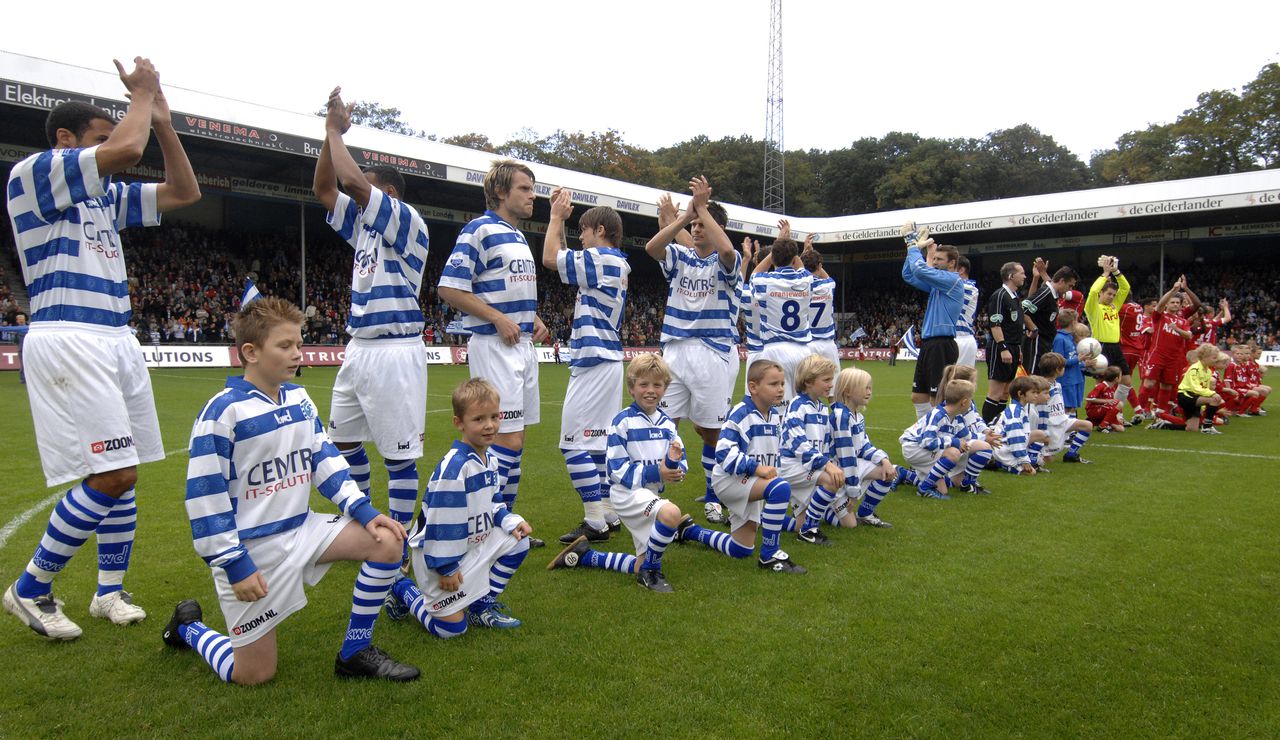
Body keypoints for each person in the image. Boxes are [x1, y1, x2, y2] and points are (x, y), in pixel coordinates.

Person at [4, 58, 201, 640]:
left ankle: (108, 594)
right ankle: (31, 586)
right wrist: (142, 93)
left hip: (117, 336)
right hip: (71, 333)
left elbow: (185, 191)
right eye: (98, 138)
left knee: (127, 473)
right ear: (66, 140)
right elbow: (126, 151)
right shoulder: (35, 172)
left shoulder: (101, 201)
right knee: (112, 475)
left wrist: (163, 120)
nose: (109, 147)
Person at [163, 297, 417, 683]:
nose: (298, 354)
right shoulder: (222, 412)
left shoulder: (299, 399)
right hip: (251, 550)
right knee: (254, 674)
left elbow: (325, 461)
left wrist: (363, 510)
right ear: (250, 352)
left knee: (386, 540)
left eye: (299, 344)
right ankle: (188, 627)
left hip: (303, 530)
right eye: (285, 346)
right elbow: (205, 498)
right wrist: (234, 563)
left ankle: (355, 652)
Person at [312, 87, 430, 539]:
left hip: (395, 349)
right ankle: (363, 523)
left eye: (368, 181)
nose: (358, 185)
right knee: (342, 443)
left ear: (390, 193)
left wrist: (335, 132)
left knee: (399, 456)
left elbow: (351, 184)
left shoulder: (404, 219)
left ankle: (398, 538)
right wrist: (329, 137)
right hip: (358, 348)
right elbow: (326, 187)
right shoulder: (363, 226)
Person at [438, 160, 550, 545]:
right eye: (524, 188)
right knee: (505, 440)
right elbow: (449, 288)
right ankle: (495, 525)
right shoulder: (479, 230)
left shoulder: (518, 236)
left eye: (532, 188)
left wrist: (532, 318)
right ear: (501, 192)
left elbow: (507, 291)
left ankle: (504, 523)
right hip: (494, 345)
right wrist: (498, 319)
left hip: (522, 346)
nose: (532, 195)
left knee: (515, 442)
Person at [384, 379, 534, 635]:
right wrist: (447, 568)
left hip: (469, 545)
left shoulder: (490, 458)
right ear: (459, 423)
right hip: (438, 556)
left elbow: (494, 503)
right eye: (479, 419)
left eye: (494, 417)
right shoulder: (455, 469)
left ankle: (480, 607)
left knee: (519, 541)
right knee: (450, 629)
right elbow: (443, 524)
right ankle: (401, 588)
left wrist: (511, 521)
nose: (489, 425)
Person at [548, 354, 692, 593]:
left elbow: (679, 461)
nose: (650, 390)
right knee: (671, 514)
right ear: (631, 388)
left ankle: (587, 557)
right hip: (627, 495)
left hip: (650, 494)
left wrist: (675, 467)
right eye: (644, 384)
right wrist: (658, 471)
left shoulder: (667, 425)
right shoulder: (622, 422)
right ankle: (651, 573)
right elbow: (617, 471)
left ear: (665, 389)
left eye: (657, 385)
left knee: (639, 562)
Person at [540, 188, 630, 545]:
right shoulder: (615, 263)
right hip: (606, 358)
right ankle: (606, 509)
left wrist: (555, 218)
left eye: (585, 230)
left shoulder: (604, 259)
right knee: (597, 444)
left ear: (601, 232)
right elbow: (565, 255)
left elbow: (551, 258)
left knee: (571, 443)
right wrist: (562, 225)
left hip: (595, 359)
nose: (581, 237)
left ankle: (594, 519)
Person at [648, 179, 740, 527]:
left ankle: (715, 495)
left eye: (703, 223)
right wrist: (684, 216)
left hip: (712, 352)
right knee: (662, 425)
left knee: (711, 431)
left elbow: (728, 252)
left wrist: (701, 208)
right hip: (675, 350)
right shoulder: (680, 256)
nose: (697, 229)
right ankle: (653, 497)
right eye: (695, 225)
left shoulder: (729, 261)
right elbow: (653, 248)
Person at [683, 359, 805, 574]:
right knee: (780, 488)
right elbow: (723, 453)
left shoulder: (774, 415)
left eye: (782, 384)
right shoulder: (741, 413)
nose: (780, 389)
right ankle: (770, 555)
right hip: (730, 480)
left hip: (751, 481)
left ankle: (690, 532)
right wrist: (757, 469)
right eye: (773, 384)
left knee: (740, 549)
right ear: (753, 387)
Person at [777, 355, 844, 545]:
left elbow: (824, 444)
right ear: (808, 381)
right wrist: (827, 466)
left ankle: (764, 519)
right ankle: (809, 531)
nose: (831, 384)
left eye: (832, 379)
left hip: (807, 467)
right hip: (791, 466)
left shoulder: (822, 408)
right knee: (831, 479)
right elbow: (798, 443)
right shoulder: (797, 406)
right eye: (826, 380)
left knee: (798, 523)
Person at [829, 367, 907, 528]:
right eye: (865, 388)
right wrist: (853, 491)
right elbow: (846, 456)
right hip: (839, 470)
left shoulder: (857, 415)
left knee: (888, 472)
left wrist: (884, 459)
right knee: (848, 525)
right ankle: (826, 508)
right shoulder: (840, 416)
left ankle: (865, 513)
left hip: (853, 465)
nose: (869, 392)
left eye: (870, 387)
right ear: (848, 391)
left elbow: (864, 445)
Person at [899, 379, 994, 499]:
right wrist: (954, 442)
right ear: (964, 402)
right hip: (914, 448)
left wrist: (986, 438)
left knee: (983, 447)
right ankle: (924, 489)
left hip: (928, 449)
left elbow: (968, 436)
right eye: (971, 399)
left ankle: (905, 474)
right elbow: (927, 441)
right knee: (953, 452)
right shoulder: (937, 415)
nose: (972, 403)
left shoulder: (957, 418)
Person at [750, 232, 814, 399]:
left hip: (775, 350)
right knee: (803, 408)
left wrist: (776, 248)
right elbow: (800, 267)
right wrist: (789, 248)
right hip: (803, 351)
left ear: (773, 258)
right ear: (793, 258)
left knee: (777, 408)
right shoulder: (806, 280)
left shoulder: (764, 282)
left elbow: (755, 273)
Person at [1083, 255, 1133, 422]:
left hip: (1116, 346)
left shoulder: (1114, 307)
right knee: (1102, 384)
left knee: (1126, 380)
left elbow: (1125, 288)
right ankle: (1100, 414)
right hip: (1101, 346)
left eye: (1113, 294)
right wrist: (1104, 274)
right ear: (1102, 294)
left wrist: (1116, 272)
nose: (1112, 297)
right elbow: (1093, 291)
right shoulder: (1093, 308)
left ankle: (1115, 412)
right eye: (1109, 294)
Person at [1137, 277, 1194, 417]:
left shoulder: (1183, 321)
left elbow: (1188, 336)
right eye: (1172, 302)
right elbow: (1159, 305)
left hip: (1174, 358)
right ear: (1167, 304)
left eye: (1177, 303)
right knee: (1149, 383)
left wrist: (1176, 329)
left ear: (1181, 305)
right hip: (1158, 354)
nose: (1175, 305)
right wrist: (1173, 290)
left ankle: (1161, 413)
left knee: (1167, 385)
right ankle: (1140, 411)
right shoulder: (1160, 316)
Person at [982, 261, 1028, 423]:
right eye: (1021, 272)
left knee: (1005, 392)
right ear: (1011, 276)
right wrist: (1003, 347)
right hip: (1001, 348)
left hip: (1013, 347)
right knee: (995, 392)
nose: (1024, 276)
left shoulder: (1014, 297)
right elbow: (995, 324)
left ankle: (998, 425)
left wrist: (1018, 348)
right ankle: (986, 428)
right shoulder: (1000, 295)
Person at [1029, 352, 1094, 464]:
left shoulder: (1057, 384)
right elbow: (1038, 409)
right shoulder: (1041, 388)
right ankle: (1031, 458)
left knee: (1087, 426)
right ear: (1058, 370)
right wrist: (1042, 430)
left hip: (1063, 420)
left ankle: (1071, 455)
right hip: (1051, 424)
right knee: (1047, 460)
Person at [1022, 258, 1077, 376]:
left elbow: (1033, 299)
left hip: (1045, 342)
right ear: (1062, 281)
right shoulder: (1046, 293)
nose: (1070, 289)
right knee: (1033, 378)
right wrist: (1034, 329)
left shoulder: (1053, 294)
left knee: (1042, 379)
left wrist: (1041, 274)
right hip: (1037, 342)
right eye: (1070, 285)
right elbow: (1023, 310)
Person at [990, 376, 1050, 474]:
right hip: (1003, 448)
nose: (1036, 395)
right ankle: (997, 462)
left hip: (1010, 446)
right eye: (1033, 392)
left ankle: (1032, 462)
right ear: (1020, 394)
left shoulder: (1022, 409)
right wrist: (1023, 459)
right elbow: (1015, 437)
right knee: (1030, 473)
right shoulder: (1015, 413)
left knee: (1040, 435)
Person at [801, 235, 841, 369]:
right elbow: (825, 276)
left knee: (806, 387)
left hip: (808, 343)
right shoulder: (829, 285)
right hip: (827, 344)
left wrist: (805, 253)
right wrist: (811, 252)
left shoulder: (800, 288)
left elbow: (799, 273)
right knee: (833, 387)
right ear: (819, 266)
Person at [1119, 296, 1157, 420]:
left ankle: (1119, 413)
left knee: (1121, 382)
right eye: (1153, 305)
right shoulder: (1138, 309)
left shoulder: (1124, 308)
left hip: (1128, 348)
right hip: (1139, 349)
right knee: (1133, 381)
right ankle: (1140, 409)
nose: (1155, 308)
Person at [1051, 309, 1087, 414]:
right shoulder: (1060, 339)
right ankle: (1066, 429)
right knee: (1067, 407)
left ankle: (1072, 429)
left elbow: (1075, 357)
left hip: (1076, 378)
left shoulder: (1072, 337)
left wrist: (1084, 364)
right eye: (1076, 320)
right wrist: (1078, 359)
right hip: (1067, 380)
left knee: (1073, 406)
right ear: (1073, 322)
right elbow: (1059, 361)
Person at [954, 256, 981, 369]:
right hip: (959, 338)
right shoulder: (963, 286)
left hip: (961, 339)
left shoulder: (967, 287)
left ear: (961, 270)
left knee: (958, 382)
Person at [1085, 366, 1127, 432]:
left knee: (1121, 429)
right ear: (1116, 378)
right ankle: (1102, 426)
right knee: (1119, 403)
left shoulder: (1112, 387)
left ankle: (1093, 421)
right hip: (1093, 410)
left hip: (1104, 411)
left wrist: (1118, 417)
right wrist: (1107, 401)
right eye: (1121, 376)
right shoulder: (1101, 386)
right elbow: (1089, 399)